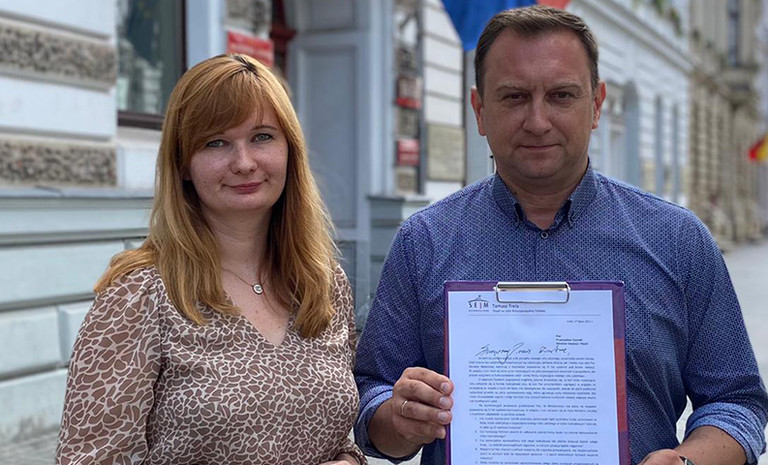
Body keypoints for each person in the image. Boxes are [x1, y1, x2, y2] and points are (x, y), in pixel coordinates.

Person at [354, 5, 768, 465]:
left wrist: (687, 461)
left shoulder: (677, 240)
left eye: (561, 95)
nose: (537, 121)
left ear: (597, 105)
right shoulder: (424, 242)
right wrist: (399, 418)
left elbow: (737, 402)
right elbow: (371, 399)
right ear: (480, 110)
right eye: (514, 97)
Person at [56, 53, 366, 465]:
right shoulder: (140, 294)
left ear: (290, 150)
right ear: (183, 164)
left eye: (262, 137)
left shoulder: (323, 284)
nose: (244, 163)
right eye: (215, 142)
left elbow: (337, 439)